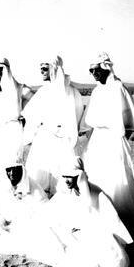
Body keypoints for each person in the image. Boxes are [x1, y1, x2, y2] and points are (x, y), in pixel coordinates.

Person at [82, 52, 134, 237]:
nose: (93, 73)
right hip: (98, 140)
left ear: (105, 68)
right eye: (91, 71)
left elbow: (130, 118)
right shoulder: (97, 91)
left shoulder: (118, 88)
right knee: (98, 174)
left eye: (96, 69)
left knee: (116, 176)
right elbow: (91, 121)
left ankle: (120, 217)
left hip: (114, 139)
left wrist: (121, 136)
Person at [22, 55, 83, 196]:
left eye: (44, 68)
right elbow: (31, 115)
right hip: (43, 139)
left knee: (61, 177)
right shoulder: (43, 91)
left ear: (53, 69)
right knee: (40, 177)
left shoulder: (71, 92)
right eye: (41, 69)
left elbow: (76, 115)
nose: (42, 72)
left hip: (63, 140)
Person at [0, 58, 34, 190]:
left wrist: (25, 116)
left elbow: (35, 101)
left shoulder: (20, 88)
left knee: (11, 162)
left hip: (13, 131)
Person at [0, 160, 48, 226]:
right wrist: (0, 220)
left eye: (14, 170)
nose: (11, 173)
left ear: (21, 170)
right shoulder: (2, 184)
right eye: (8, 170)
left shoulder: (33, 186)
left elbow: (43, 210)